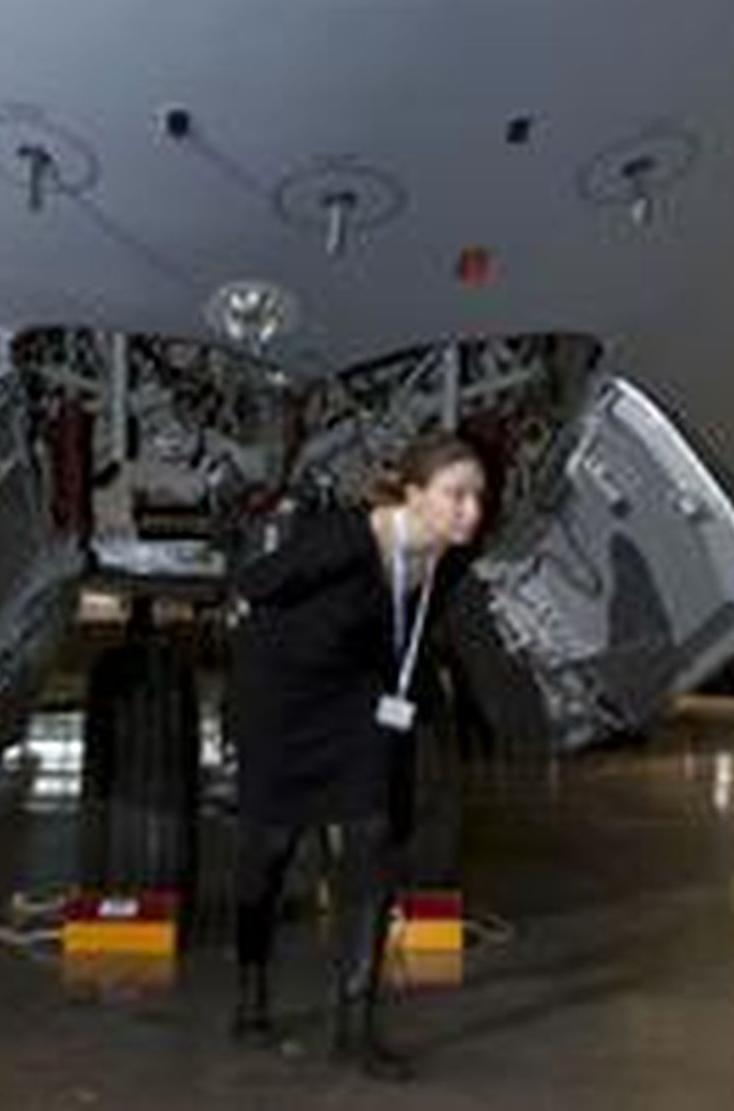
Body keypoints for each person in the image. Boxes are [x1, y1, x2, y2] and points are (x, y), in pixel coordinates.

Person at [227, 433, 488, 1080]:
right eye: (456, 495)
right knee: (267, 856)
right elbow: (254, 584)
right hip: (283, 705)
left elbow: (414, 636)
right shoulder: (346, 539)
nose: (471, 510)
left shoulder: (450, 558)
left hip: (359, 704)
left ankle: (355, 1026)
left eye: (477, 496)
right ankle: (250, 989)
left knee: (372, 846)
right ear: (414, 494)